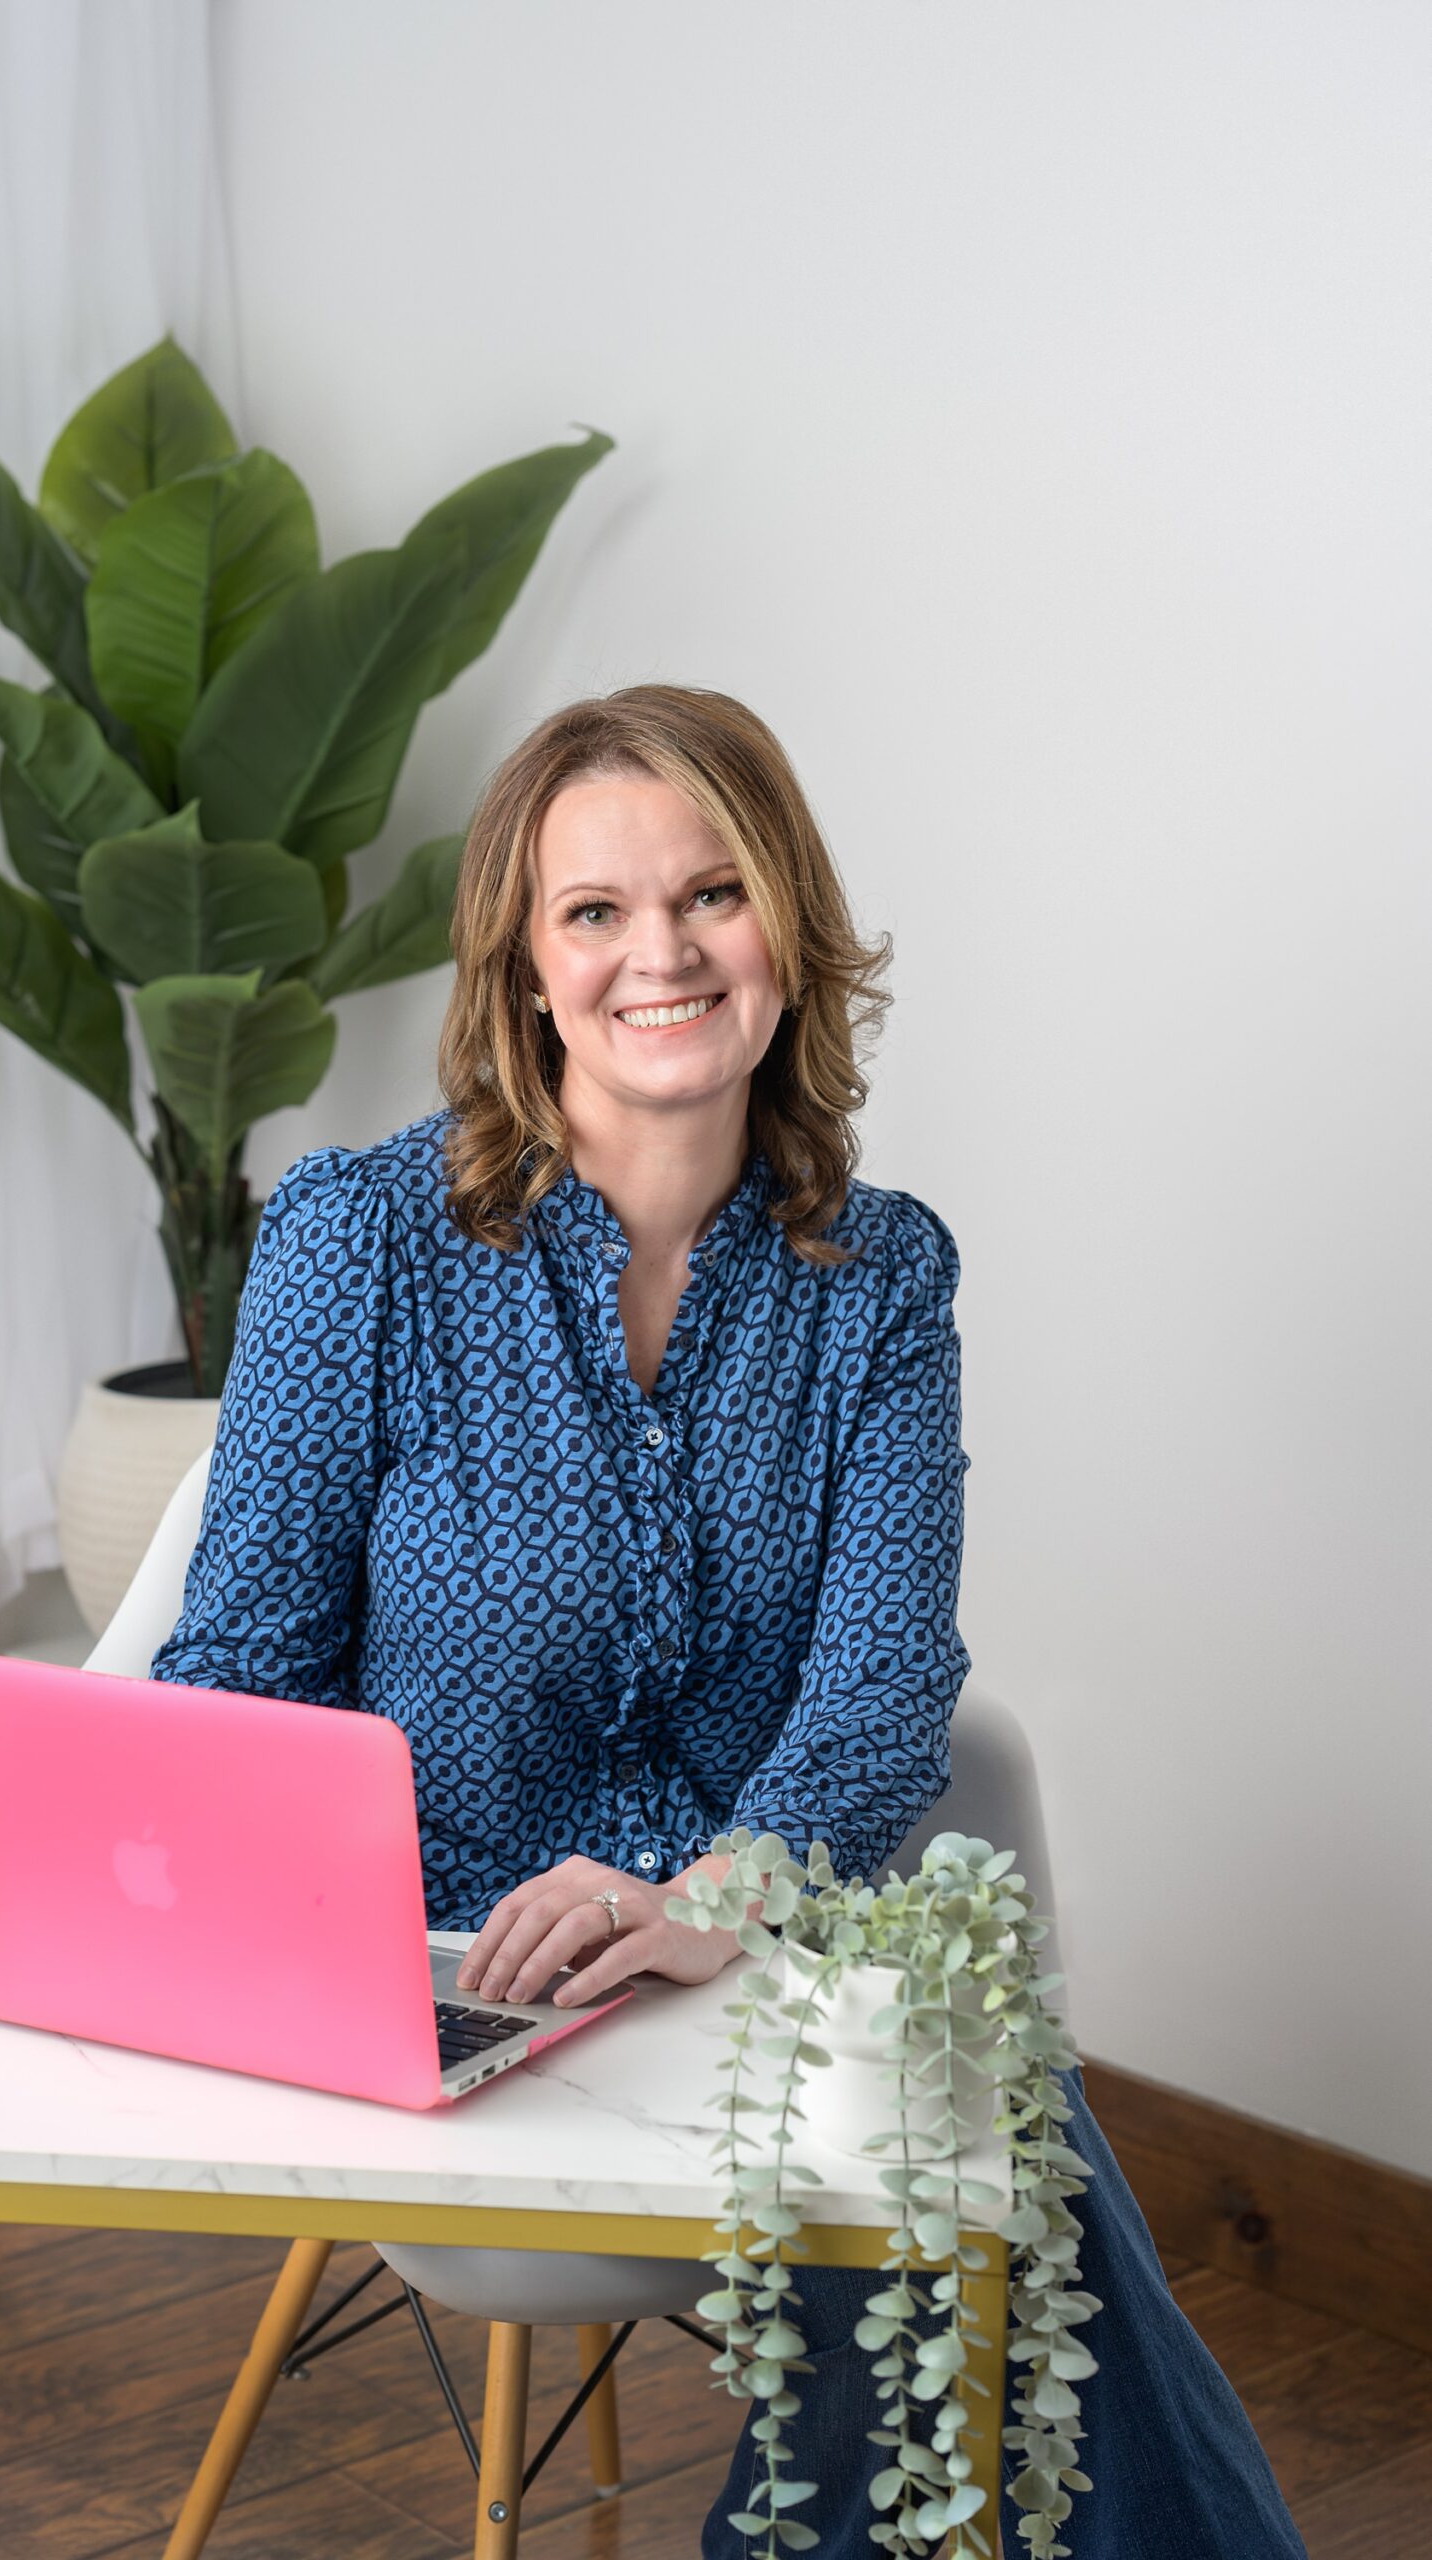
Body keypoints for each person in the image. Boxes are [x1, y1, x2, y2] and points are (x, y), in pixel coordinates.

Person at [150, 685, 1307, 2557]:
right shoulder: (356, 1241)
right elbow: (243, 1673)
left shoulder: (883, 1278)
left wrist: (708, 1905)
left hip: (760, 1949)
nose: (658, 955)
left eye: (712, 894)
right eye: (592, 912)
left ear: (788, 929)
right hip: (461, 1984)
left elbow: (880, 1695)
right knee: (984, 2190)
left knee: (969, 2131)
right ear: (523, 969)